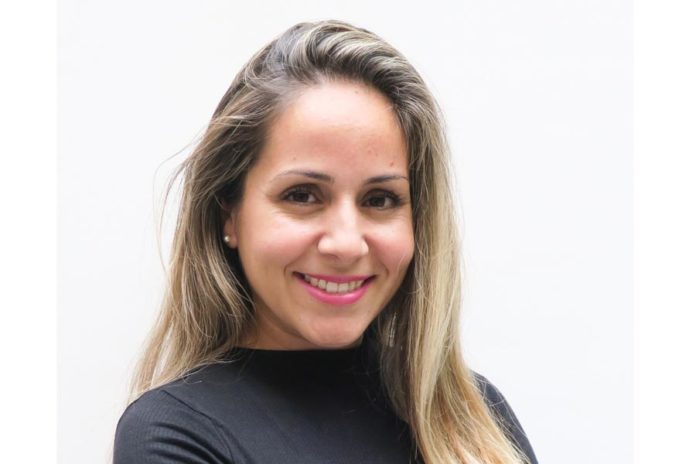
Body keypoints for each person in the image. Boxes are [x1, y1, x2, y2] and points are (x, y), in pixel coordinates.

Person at [113, 20, 538, 464]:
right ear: (230, 215)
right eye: (302, 195)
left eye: (379, 199)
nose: (346, 244)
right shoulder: (175, 434)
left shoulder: (473, 418)